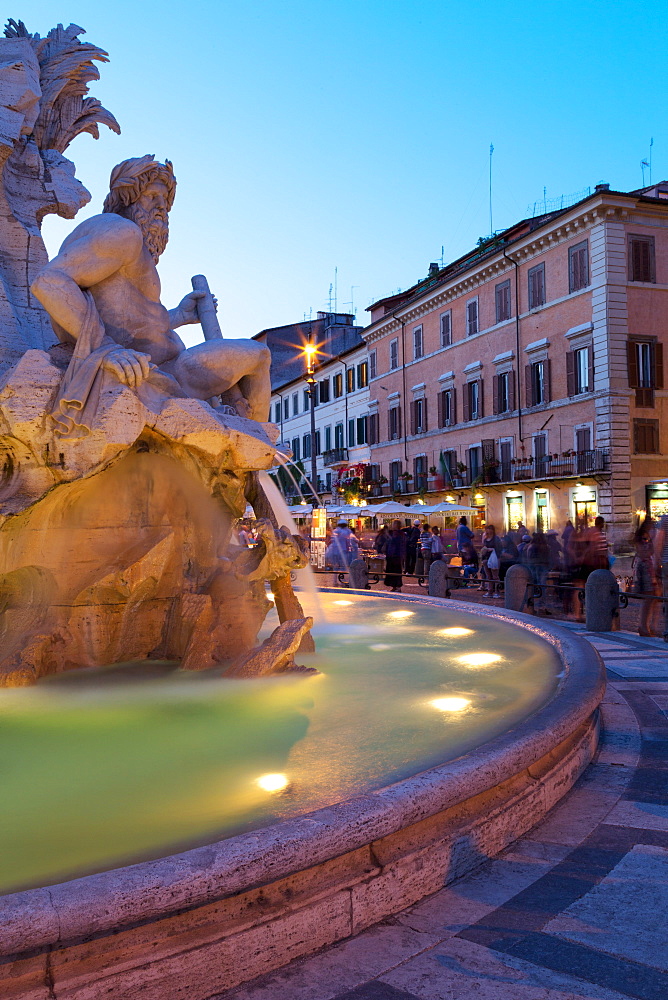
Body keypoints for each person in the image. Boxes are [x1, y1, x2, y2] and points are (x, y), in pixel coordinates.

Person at [32, 155, 272, 434]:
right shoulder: (121, 232)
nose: (161, 208)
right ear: (127, 199)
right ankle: (257, 450)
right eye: (152, 196)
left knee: (252, 358)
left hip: (161, 365)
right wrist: (105, 350)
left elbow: (128, 321)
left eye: (165, 202)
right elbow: (48, 281)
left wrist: (178, 316)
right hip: (162, 374)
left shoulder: (123, 243)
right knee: (259, 355)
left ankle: (248, 440)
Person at [632, 517, 657, 636]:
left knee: (650, 598)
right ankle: (643, 626)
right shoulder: (643, 537)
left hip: (646, 566)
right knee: (648, 598)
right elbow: (645, 552)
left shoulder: (642, 536)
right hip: (645, 567)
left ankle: (645, 625)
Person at [480, 524, 503, 596]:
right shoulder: (485, 538)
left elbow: (499, 548)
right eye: (487, 529)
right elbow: (483, 546)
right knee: (489, 576)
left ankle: (497, 591)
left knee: (495, 576)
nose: (488, 530)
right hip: (486, 558)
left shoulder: (496, 538)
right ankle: (490, 591)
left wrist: (492, 549)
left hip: (494, 558)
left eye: (490, 529)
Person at [384, 519, 407, 592]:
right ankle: (394, 586)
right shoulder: (394, 533)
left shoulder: (399, 534)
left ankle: (397, 586)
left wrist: (388, 535)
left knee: (396, 570)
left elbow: (396, 542)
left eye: (394, 524)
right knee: (391, 571)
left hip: (396, 555)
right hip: (391, 554)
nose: (392, 525)